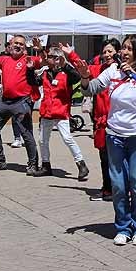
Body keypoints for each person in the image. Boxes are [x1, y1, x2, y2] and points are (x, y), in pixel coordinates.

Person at [85, 35, 136, 246]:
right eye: (124, 48)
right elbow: (92, 88)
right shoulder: (113, 71)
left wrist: (135, 75)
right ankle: (123, 227)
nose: (124, 52)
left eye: (129, 48)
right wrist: (83, 77)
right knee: (118, 185)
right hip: (115, 135)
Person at [0, 36, 40, 173]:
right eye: (16, 43)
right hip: (4, 102)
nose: (18, 46)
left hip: (21, 102)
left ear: (24, 48)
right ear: (10, 45)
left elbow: (43, 61)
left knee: (26, 134)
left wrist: (40, 49)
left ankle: (33, 164)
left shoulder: (28, 59)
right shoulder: (4, 59)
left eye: (21, 44)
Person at [32, 44, 89, 180]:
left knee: (67, 138)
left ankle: (81, 164)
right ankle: (46, 165)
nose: (48, 59)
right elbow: (33, 82)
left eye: (51, 57)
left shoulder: (67, 73)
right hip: (46, 112)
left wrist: (66, 65)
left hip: (60, 112)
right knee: (42, 140)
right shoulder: (45, 73)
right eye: (49, 57)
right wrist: (30, 69)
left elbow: (76, 77)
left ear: (59, 59)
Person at [78, 38, 122, 201]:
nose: (107, 54)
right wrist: (70, 55)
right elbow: (82, 70)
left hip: (118, 121)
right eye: (104, 52)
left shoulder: (122, 70)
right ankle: (108, 189)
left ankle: (121, 190)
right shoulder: (98, 70)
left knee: (117, 159)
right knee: (104, 157)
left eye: (110, 51)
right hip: (101, 120)